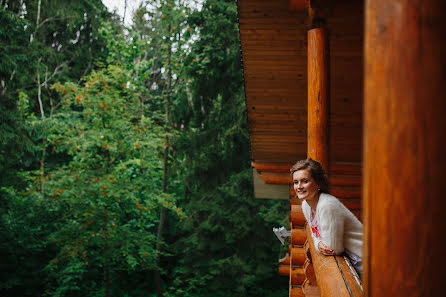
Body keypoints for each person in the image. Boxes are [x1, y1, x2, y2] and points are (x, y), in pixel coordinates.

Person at [290, 158, 363, 276]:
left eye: (305, 181)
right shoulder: (306, 205)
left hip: (365, 260)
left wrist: (317, 244)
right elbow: (315, 234)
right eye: (296, 182)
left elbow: (333, 248)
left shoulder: (327, 205)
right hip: (352, 263)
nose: (299, 186)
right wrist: (319, 243)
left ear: (318, 182)